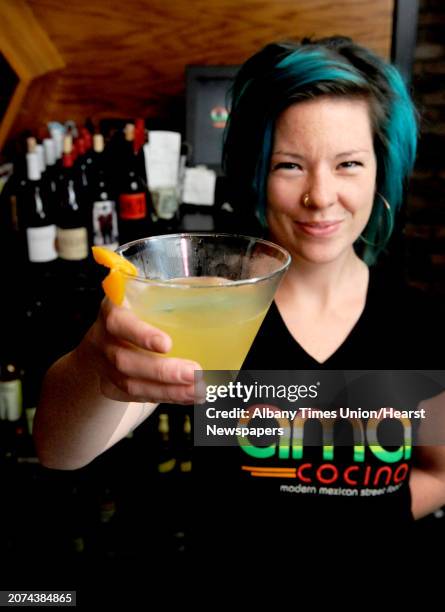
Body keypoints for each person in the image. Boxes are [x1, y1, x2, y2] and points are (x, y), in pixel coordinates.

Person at [34, 37, 445, 566]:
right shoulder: (212, 309)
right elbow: (60, 452)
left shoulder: (420, 324)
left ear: (380, 171)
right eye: (289, 165)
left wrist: (364, 521)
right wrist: (96, 363)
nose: (320, 196)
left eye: (348, 164)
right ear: (256, 173)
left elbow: (439, 469)